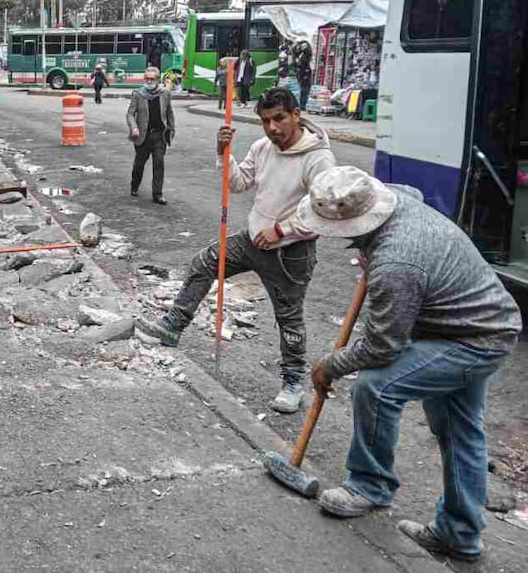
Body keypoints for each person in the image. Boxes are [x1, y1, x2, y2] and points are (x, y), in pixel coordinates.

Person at [299, 167, 521, 563]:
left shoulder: (396, 263)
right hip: (477, 323)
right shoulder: (399, 201)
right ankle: (460, 534)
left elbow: (383, 346)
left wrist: (329, 366)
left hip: (472, 340)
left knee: (376, 385)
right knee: (459, 430)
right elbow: (412, 189)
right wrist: (370, 250)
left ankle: (369, 486)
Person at [135, 87, 336, 413]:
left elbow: (323, 210)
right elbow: (238, 183)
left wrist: (281, 230)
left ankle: (293, 380)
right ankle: (172, 327)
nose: (272, 128)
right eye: (265, 121)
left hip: (291, 252)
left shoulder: (319, 158)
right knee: (204, 263)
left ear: (296, 115)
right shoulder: (263, 147)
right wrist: (223, 151)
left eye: (280, 119)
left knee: (289, 317)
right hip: (254, 240)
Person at [126, 67, 175, 205]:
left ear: (157, 80)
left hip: (159, 135)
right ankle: (134, 185)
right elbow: (130, 113)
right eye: (146, 79)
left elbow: (169, 112)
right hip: (143, 136)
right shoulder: (138, 94)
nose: (149, 81)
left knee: (159, 163)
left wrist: (171, 129)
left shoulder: (165, 93)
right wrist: (134, 127)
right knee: (139, 164)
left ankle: (157, 194)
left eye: (152, 79)